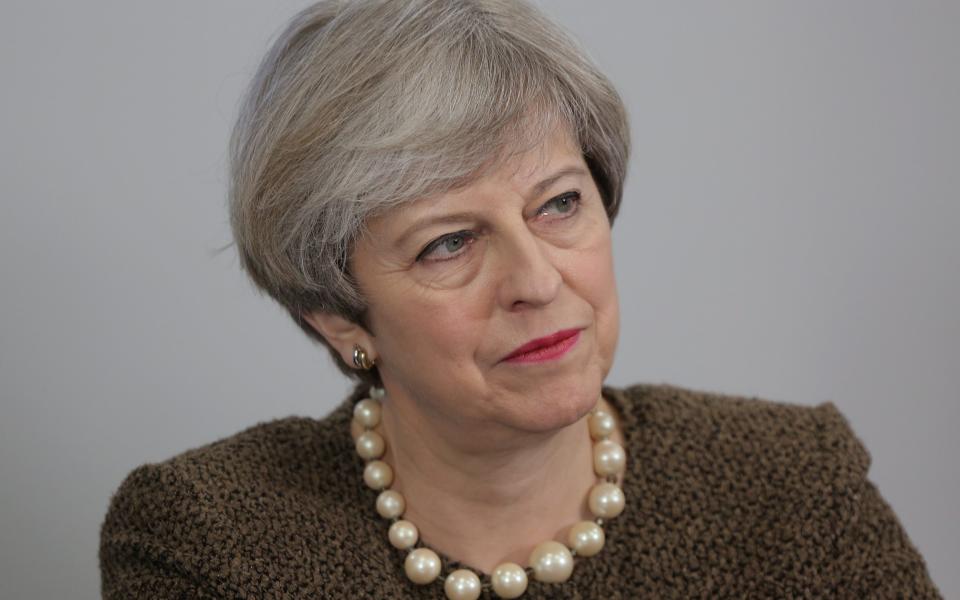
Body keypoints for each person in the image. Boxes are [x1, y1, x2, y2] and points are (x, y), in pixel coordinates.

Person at [98, 1, 942, 598]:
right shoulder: (209, 538)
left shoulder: (792, 481)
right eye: (449, 243)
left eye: (560, 204)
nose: (538, 282)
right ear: (338, 314)